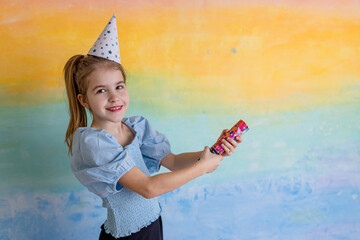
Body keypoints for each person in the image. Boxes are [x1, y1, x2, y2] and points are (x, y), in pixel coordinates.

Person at [63, 14, 243, 240]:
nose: (114, 97)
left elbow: (174, 161)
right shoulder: (95, 143)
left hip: (152, 226)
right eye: (101, 90)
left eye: (119, 86)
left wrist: (213, 152)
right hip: (128, 237)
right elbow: (148, 188)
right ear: (84, 100)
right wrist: (202, 168)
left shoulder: (136, 128)